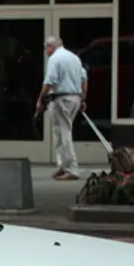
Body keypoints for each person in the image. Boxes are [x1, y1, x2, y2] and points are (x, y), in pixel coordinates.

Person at [35, 35, 88, 181]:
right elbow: (84, 78)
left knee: (64, 133)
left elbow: (49, 82)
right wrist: (82, 98)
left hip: (61, 98)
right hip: (74, 98)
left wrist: (40, 100)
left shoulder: (55, 59)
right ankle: (63, 166)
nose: (46, 51)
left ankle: (72, 169)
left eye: (46, 48)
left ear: (51, 47)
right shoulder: (74, 58)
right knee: (59, 132)